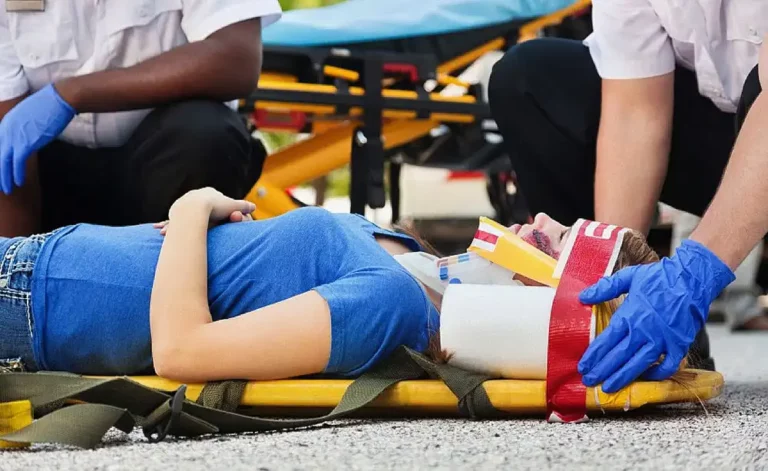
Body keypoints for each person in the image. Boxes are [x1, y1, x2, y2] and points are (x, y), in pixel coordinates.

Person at [0, 188, 670, 386]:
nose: (543, 220)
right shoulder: (413, 262)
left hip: (33, 302)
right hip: (42, 266)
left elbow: (181, 351)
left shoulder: (391, 305)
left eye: (560, 240)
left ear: (553, 301)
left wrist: (190, 210)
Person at [488, 0, 767, 392]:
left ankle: (686, 293)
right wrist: (611, 271)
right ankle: (613, 325)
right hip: (734, 137)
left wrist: (693, 274)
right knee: (532, 77)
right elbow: (635, 115)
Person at [0, 1, 282, 238]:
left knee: (206, 132)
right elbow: (10, 159)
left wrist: (73, 94)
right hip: (54, 184)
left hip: (167, 178)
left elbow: (236, 59)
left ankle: (186, 285)